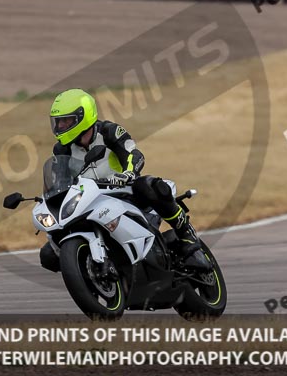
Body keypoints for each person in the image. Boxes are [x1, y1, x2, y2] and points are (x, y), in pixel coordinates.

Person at [40, 88, 201, 273]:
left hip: (124, 192)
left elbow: (134, 154)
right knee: (48, 255)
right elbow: (59, 181)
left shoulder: (109, 132)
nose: (60, 127)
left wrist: (129, 174)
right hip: (91, 200)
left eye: (66, 121)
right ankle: (92, 274)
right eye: (58, 122)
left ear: (83, 116)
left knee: (149, 185)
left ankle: (186, 234)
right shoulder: (62, 150)